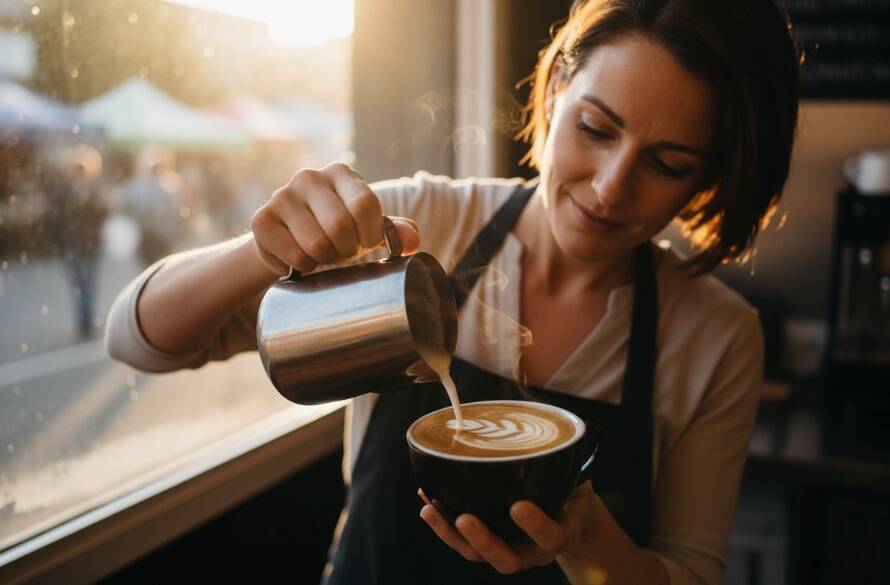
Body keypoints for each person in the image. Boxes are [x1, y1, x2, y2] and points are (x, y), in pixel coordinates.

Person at [105, 0, 800, 583]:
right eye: (595, 128)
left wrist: (585, 538)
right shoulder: (414, 225)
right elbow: (139, 341)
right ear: (555, 92)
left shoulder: (716, 335)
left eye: (667, 163)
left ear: (707, 180)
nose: (611, 186)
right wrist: (261, 250)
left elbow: (690, 571)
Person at [46, 143, 107, 339]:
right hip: (75, 244)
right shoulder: (64, 191)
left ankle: (86, 321)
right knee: (80, 283)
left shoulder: (92, 191)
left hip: (84, 244)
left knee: (85, 283)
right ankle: (84, 321)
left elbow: (101, 215)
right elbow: (54, 218)